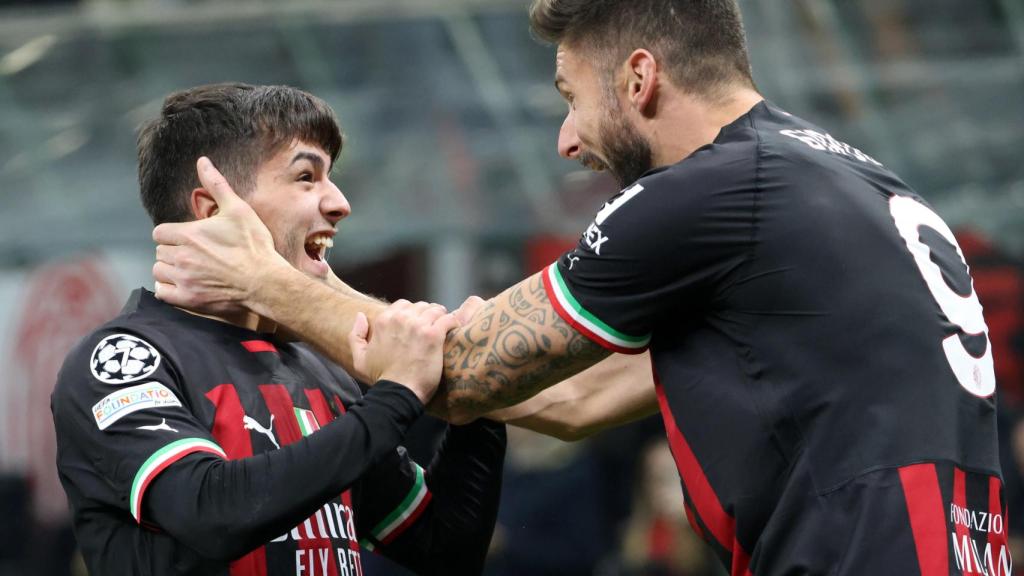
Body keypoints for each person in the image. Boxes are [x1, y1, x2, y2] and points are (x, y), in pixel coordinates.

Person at [149, 1, 1009, 574]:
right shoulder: (847, 181)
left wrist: (267, 281)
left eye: (570, 96)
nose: (565, 139)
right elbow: (580, 397)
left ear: (638, 79)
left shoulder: (709, 192)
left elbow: (475, 372)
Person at [51, 83, 506, 576]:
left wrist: (477, 398)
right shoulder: (124, 359)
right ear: (213, 213)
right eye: (306, 177)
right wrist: (396, 395)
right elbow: (209, 511)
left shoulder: (317, 365)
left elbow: (445, 549)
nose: (339, 203)